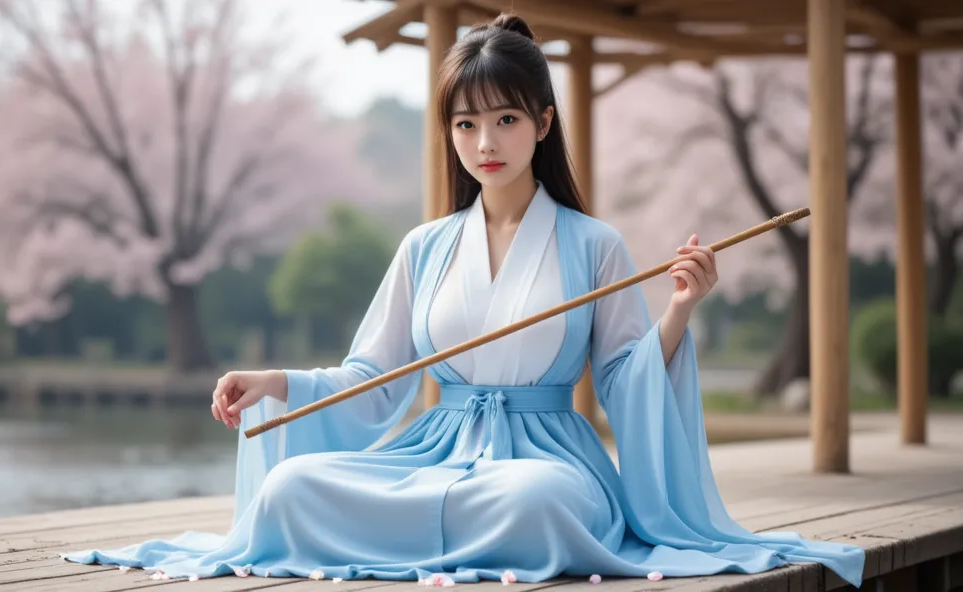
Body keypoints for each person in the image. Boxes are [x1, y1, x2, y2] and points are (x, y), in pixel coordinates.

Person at [63, 13, 865, 588]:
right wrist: (275, 383)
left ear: (543, 123)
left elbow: (625, 383)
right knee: (289, 490)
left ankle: (443, 541)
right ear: (448, 132)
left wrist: (679, 310)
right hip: (431, 452)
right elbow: (374, 377)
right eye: (466, 124)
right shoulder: (424, 246)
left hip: (546, 459)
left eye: (507, 120)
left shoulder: (595, 245)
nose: (486, 144)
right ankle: (435, 541)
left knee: (540, 503)